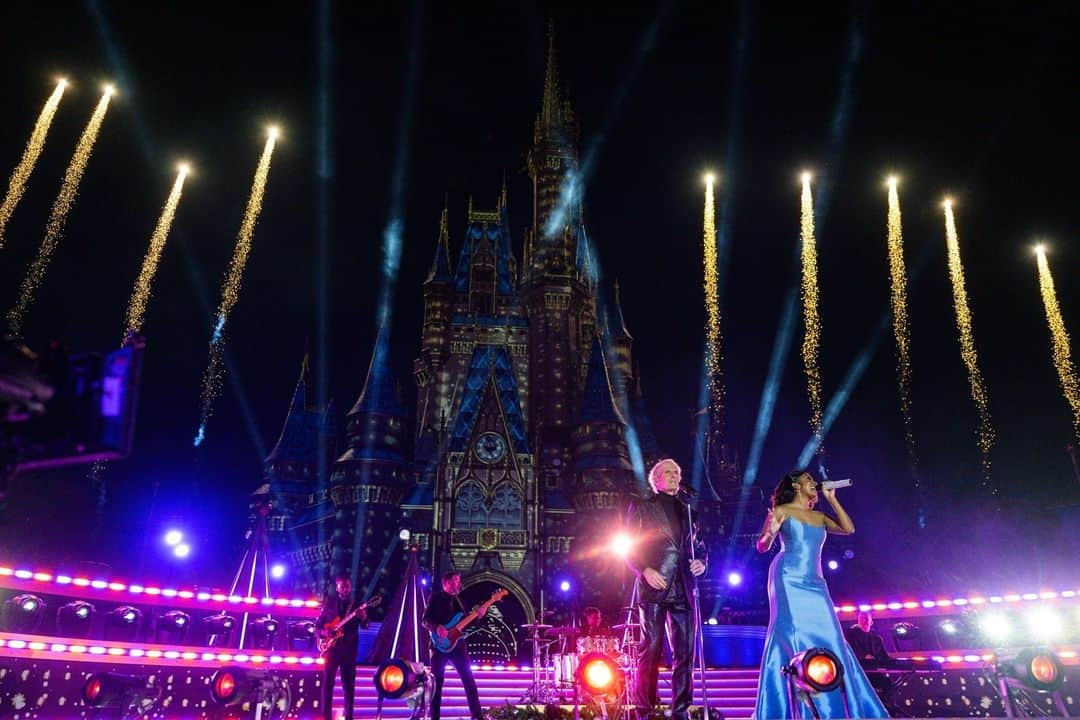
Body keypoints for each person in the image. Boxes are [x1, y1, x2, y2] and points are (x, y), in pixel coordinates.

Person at [753, 470, 888, 719]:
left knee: (831, 637)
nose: (813, 483)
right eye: (808, 480)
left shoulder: (819, 516)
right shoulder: (782, 511)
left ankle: (840, 706)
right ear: (795, 485)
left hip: (816, 581)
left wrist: (832, 497)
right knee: (792, 633)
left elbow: (848, 529)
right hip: (788, 577)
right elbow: (762, 546)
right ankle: (795, 705)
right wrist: (770, 531)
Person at [624, 458, 707, 720]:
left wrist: (701, 563)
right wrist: (644, 570)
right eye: (668, 472)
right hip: (655, 586)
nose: (674, 476)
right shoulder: (642, 507)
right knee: (652, 648)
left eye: (677, 472)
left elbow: (701, 546)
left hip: (683, 585)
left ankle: (681, 708)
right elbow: (627, 546)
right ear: (655, 479)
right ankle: (644, 708)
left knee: (685, 651)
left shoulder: (689, 510)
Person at [421, 571, 485, 720]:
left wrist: (479, 615)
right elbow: (425, 620)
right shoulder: (435, 598)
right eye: (455, 581)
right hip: (438, 646)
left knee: (469, 680)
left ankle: (477, 716)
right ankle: (434, 717)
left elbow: (465, 624)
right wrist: (437, 627)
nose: (458, 583)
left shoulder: (461, 600)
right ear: (446, 583)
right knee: (437, 684)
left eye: (458, 580)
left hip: (458, 645)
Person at [317, 574, 369, 720]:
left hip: (349, 651)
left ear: (350, 586)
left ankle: (349, 717)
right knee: (327, 686)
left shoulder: (357, 605)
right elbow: (317, 627)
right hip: (331, 651)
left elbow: (366, 626)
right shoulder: (329, 604)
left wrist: (364, 617)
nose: (345, 589)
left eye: (347, 586)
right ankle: (325, 716)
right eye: (342, 587)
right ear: (337, 587)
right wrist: (325, 632)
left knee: (349, 687)